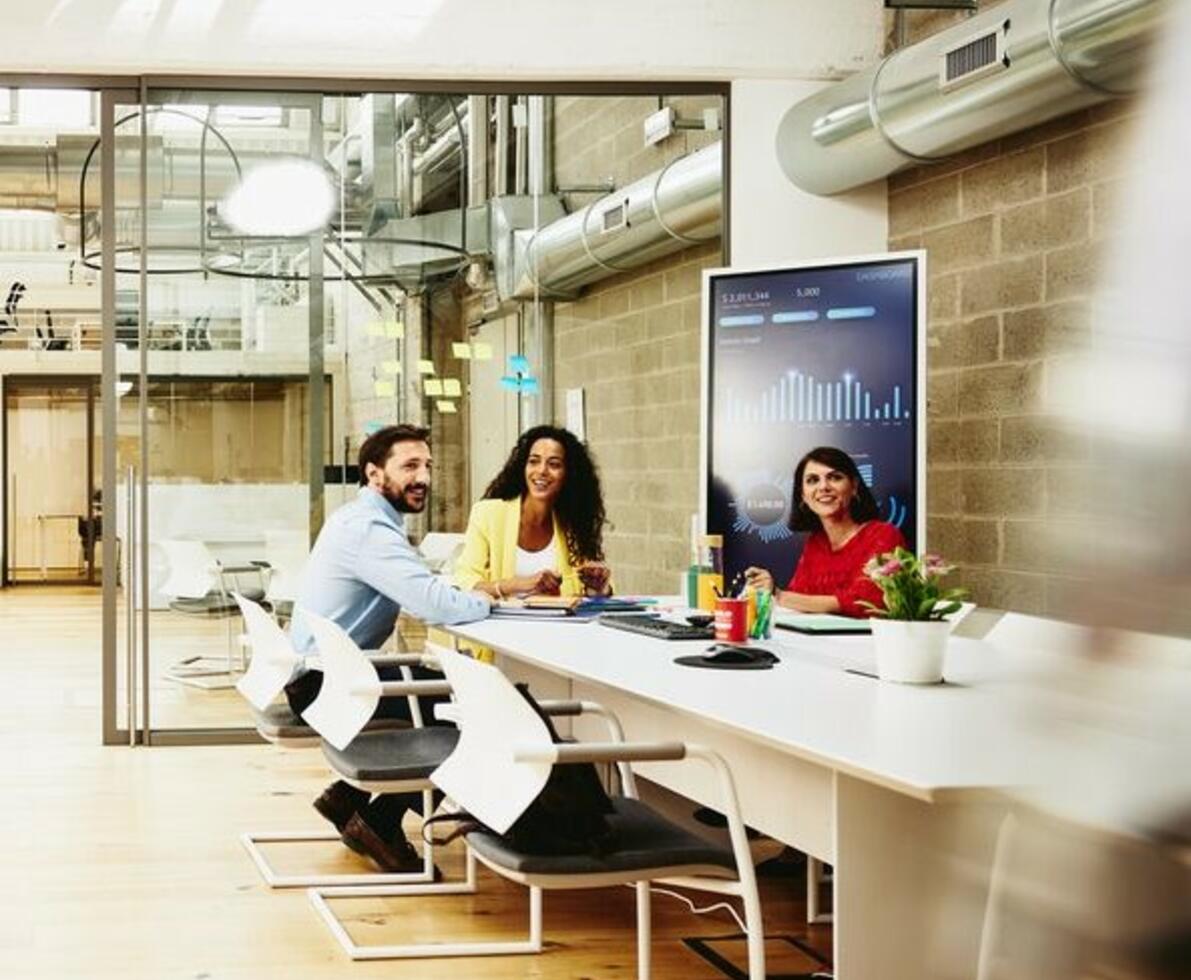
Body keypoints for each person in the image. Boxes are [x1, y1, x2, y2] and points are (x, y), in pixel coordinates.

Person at [286, 423, 491, 872]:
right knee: (471, 707)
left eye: (428, 466)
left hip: (323, 676)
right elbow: (434, 606)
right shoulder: (369, 532)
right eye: (410, 466)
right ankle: (380, 819)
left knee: (448, 695)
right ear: (375, 474)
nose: (423, 478)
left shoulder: (362, 521)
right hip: (326, 686)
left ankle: (348, 799)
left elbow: (425, 589)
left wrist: (477, 592)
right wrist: (488, 599)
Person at [454, 425, 613, 600]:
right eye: (534, 461)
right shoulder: (488, 514)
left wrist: (598, 589)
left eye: (554, 464)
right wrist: (518, 584)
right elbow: (464, 582)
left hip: (558, 625)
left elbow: (589, 597)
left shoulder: (573, 524)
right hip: (503, 626)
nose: (542, 471)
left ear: (569, 474)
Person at [744, 445, 905, 618]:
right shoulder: (816, 543)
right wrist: (765, 588)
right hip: (817, 643)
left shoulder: (884, 535)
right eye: (813, 480)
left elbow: (865, 602)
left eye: (835, 477)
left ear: (854, 486)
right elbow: (798, 598)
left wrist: (778, 595)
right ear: (803, 496)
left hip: (868, 642)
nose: (823, 487)